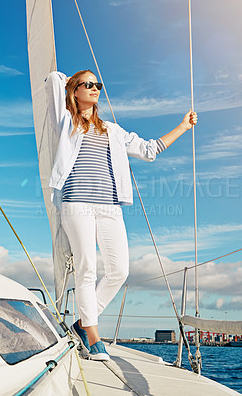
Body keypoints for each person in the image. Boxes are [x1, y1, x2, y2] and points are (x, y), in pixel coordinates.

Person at [45, 69, 197, 361]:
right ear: (74, 90)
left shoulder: (113, 131)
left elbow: (150, 150)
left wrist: (182, 127)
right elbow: (53, 79)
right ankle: (93, 337)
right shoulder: (65, 122)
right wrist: (69, 83)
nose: (94, 88)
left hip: (110, 207)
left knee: (119, 271)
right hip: (77, 203)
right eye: (87, 84)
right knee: (87, 269)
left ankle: (81, 324)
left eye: (97, 84)